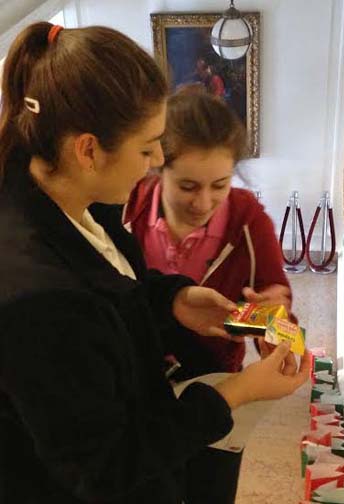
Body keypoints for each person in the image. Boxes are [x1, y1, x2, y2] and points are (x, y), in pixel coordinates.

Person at [0, 23, 309, 504]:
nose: (156, 161)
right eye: (147, 148)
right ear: (87, 150)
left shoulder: (82, 201)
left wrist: (175, 299)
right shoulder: (39, 294)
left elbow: (117, 287)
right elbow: (105, 469)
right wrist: (237, 393)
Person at [124, 88, 295, 503]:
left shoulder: (247, 219)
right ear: (156, 168)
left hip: (216, 386)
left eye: (219, 185)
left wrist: (275, 324)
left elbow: (280, 329)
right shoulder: (124, 208)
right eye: (187, 185)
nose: (204, 202)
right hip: (134, 383)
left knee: (210, 489)